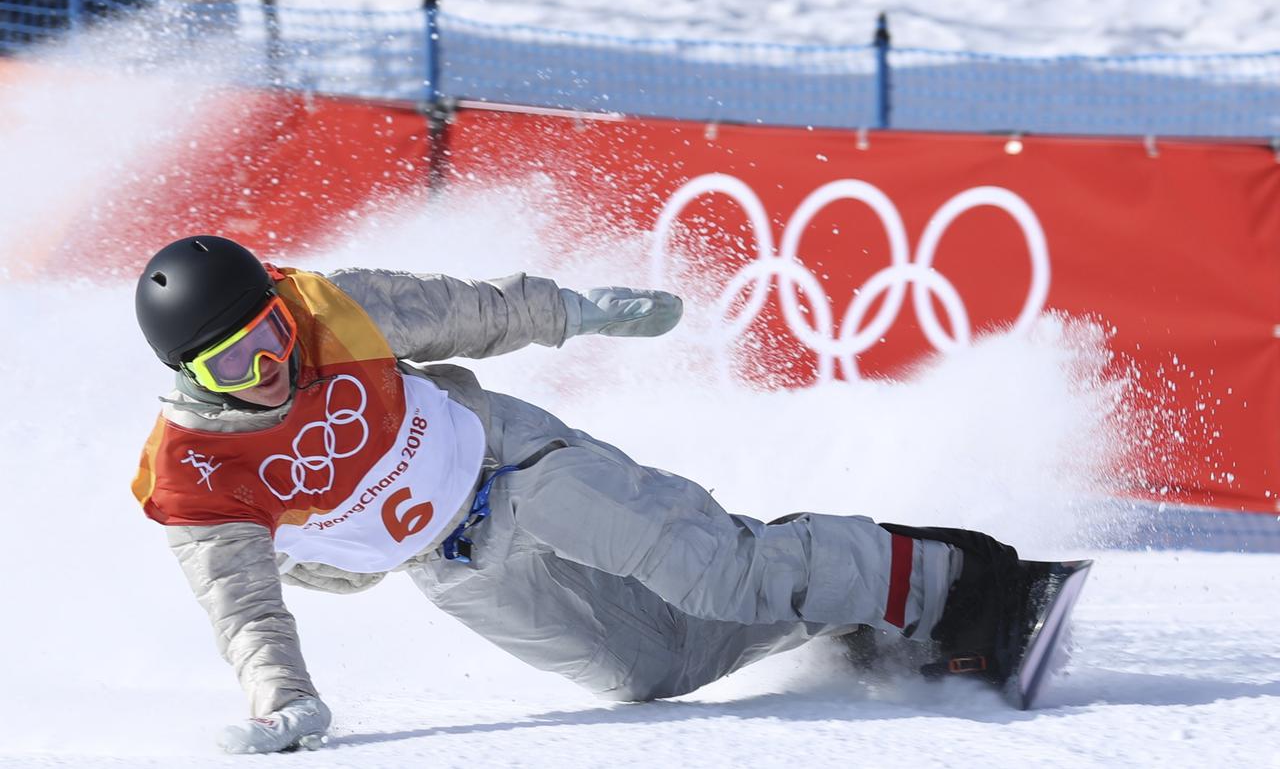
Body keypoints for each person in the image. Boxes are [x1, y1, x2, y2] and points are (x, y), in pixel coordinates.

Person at [131, 234, 1039, 755]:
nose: (268, 368)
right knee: (656, 669)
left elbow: (472, 311)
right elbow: (244, 607)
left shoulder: (331, 308)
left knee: (719, 573)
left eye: (270, 334)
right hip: (452, 565)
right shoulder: (196, 472)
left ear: (281, 305)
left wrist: (578, 311)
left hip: (513, 466)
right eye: (231, 365)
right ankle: (849, 606)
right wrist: (282, 696)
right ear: (191, 373)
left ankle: (967, 584)